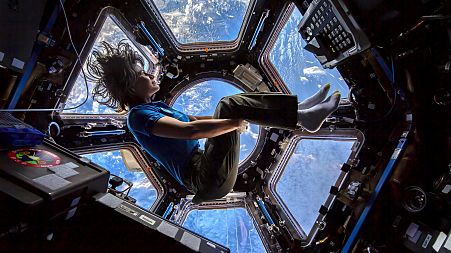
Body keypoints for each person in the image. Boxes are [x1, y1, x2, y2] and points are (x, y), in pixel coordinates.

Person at [87, 41, 341, 204]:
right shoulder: (137, 117)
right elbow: (191, 131)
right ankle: (302, 116)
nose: (149, 74)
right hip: (204, 178)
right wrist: (235, 122)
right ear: (130, 85)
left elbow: (195, 120)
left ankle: (299, 112)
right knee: (228, 106)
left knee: (228, 108)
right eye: (142, 73)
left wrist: (234, 120)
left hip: (206, 170)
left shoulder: (153, 108)